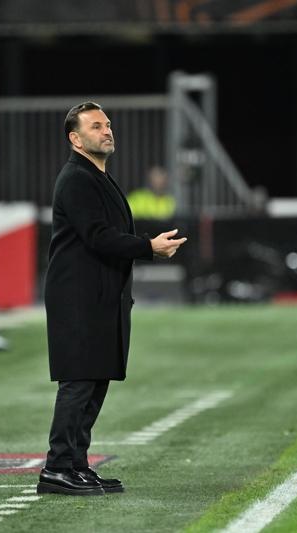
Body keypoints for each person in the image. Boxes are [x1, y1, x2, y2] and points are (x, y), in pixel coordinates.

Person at [38, 102, 186, 496]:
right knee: (78, 381)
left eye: (107, 124)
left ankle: (76, 464)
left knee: (95, 380)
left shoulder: (97, 177)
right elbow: (98, 236)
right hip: (78, 298)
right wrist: (148, 247)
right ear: (75, 138)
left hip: (100, 297)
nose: (106, 131)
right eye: (96, 126)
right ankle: (57, 467)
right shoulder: (76, 178)